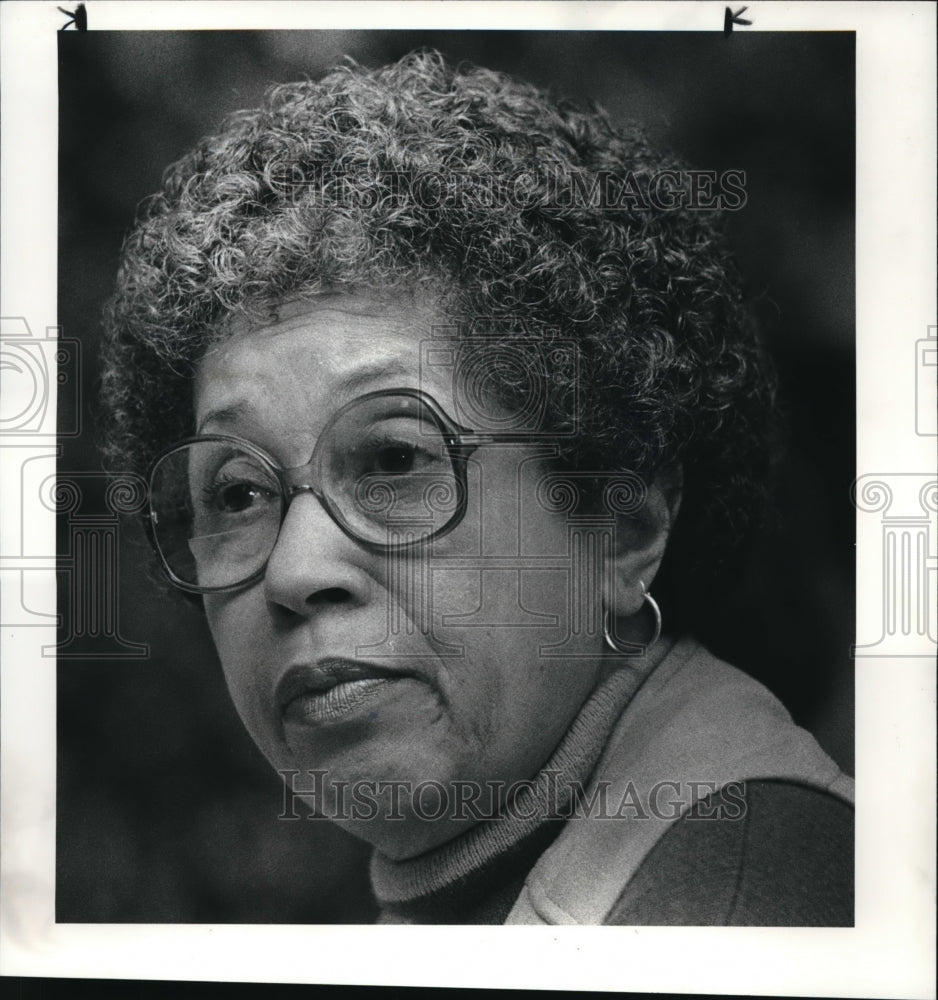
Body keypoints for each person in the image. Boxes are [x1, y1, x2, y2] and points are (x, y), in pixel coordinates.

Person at [100, 50, 854, 925]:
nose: (294, 571)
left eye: (392, 461)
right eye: (235, 495)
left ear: (624, 527)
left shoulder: (731, 899)